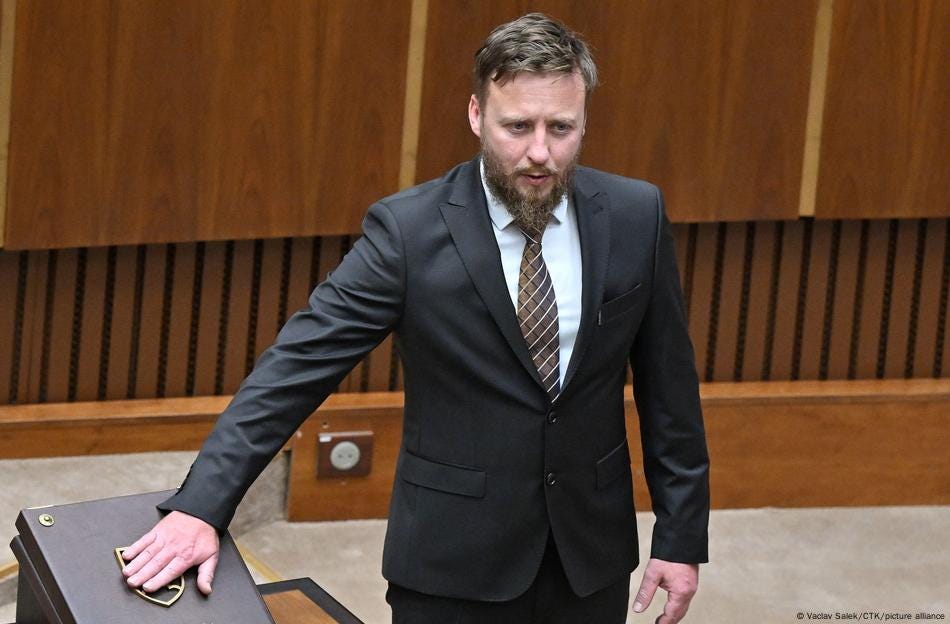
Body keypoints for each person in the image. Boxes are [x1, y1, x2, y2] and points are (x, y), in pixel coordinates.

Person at [121, 12, 709, 623]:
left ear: (584, 120)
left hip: (590, 559)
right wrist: (203, 505)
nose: (540, 152)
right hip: (452, 562)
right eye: (518, 126)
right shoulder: (407, 232)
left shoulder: (637, 214)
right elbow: (297, 365)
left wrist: (681, 536)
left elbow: (671, 390)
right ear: (477, 115)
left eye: (560, 128)